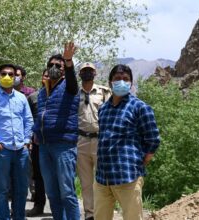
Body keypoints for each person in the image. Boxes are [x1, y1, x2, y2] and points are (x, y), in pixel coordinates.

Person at [94, 64, 160, 220]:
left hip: (128, 176)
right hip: (103, 177)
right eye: (117, 79)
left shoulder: (140, 107)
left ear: (131, 83)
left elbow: (153, 139)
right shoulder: (103, 109)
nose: (121, 82)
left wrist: (140, 162)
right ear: (110, 82)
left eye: (126, 79)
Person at [33, 42, 80, 220]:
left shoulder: (69, 87)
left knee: (67, 192)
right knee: (52, 192)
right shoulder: (43, 91)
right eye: (50, 65)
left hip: (63, 146)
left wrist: (68, 60)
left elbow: (72, 79)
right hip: (44, 147)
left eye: (57, 66)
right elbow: (41, 115)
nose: (53, 68)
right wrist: (37, 133)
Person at [0, 64, 34, 220]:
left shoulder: (21, 98)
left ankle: (19, 216)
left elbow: (28, 120)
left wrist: (26, 141)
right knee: (2, 188)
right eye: (3, 73)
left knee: (21, 188)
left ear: (15, 77)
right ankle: (3, 217)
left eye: (11, 74)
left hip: (21, 150)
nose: (7, 77)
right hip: (1, 151)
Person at [76, 62, 111, 220]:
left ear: (95, 73)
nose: (87, 73)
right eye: (84, 71)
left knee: (102, 180)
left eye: (90, 71)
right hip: (81, 140)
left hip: (100, 140)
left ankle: (102, 213)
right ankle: (89, 214)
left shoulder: (104, 92)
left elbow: (112, 113)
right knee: (86, 182)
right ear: (80, 74)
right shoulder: (75, 94)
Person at [26, 69, 49, 217]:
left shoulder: (63, 95)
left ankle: (59, 209)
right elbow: (27, 120)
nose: (47, 77)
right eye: (45, 75)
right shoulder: (33, 97)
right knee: (38, 176)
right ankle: (38, 205)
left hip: (57, 143)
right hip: (37, 143)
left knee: (59, 177)